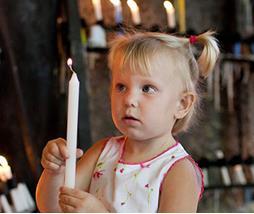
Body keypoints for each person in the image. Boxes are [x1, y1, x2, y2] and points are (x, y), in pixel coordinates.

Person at [36, 30, 219, 212]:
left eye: (147, 88)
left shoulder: (178, 171)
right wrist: (56, 171)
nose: (129, 99)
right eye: (121, 86)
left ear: (182, 104)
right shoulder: (102, 153)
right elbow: (52, 208)